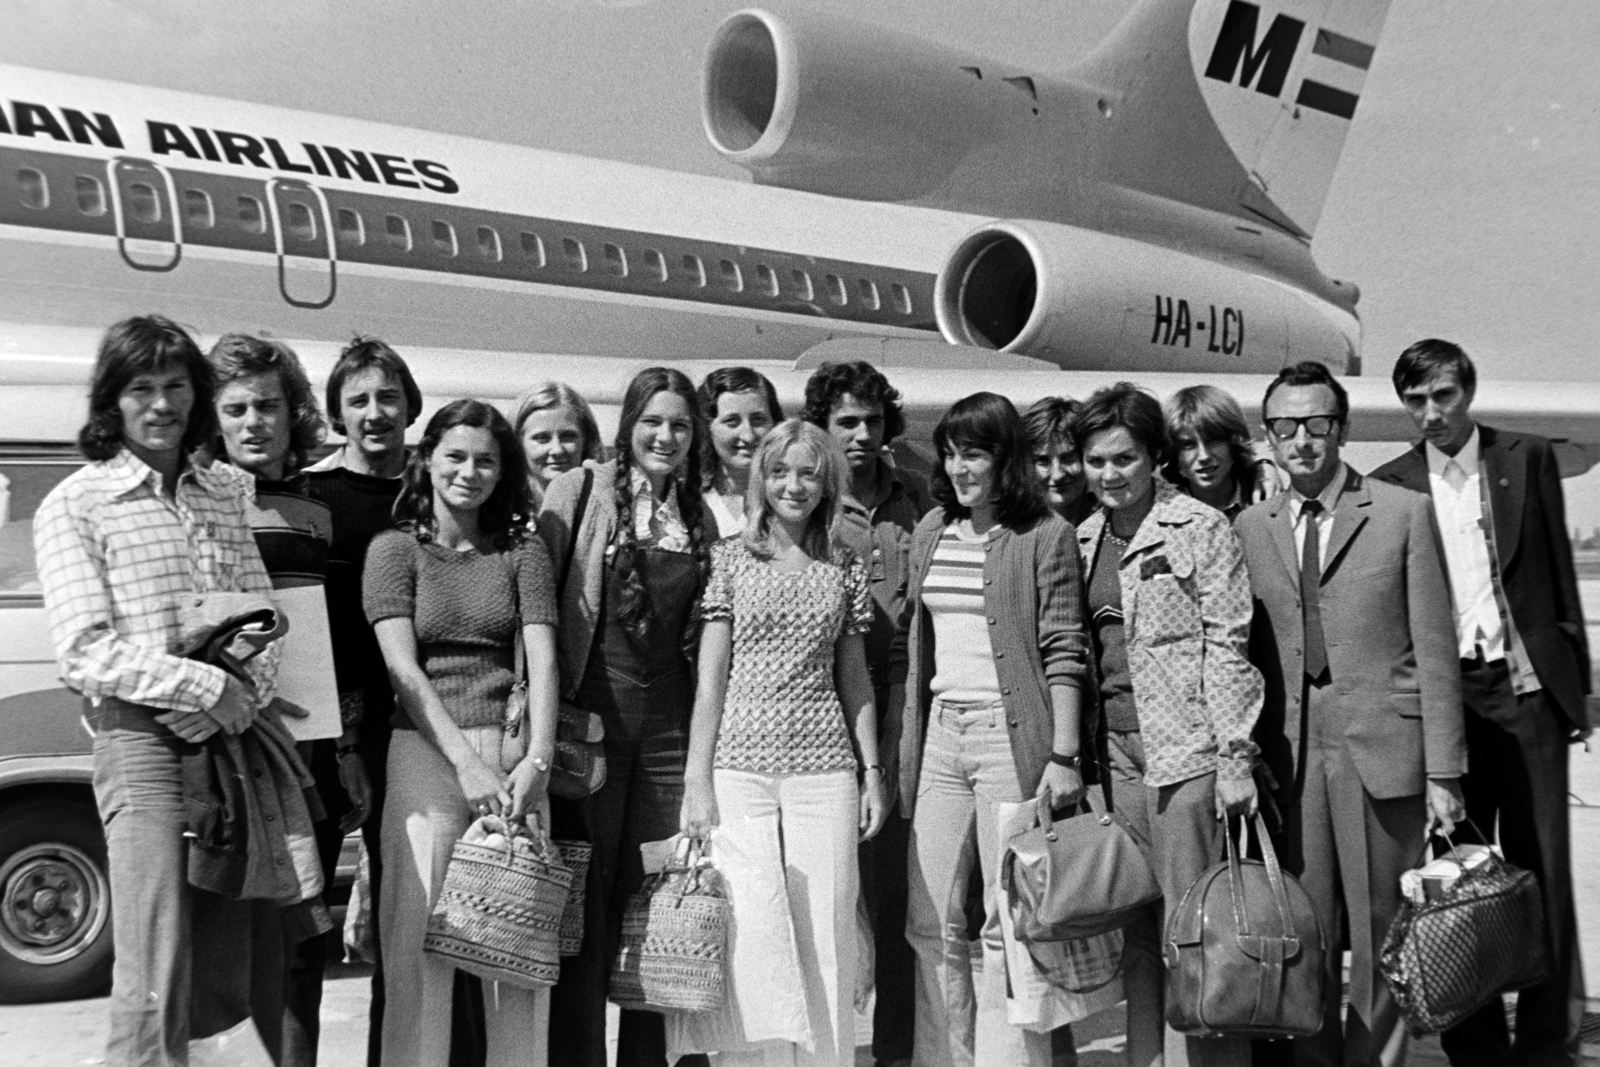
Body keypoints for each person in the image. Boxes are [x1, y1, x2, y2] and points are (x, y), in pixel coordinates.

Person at [34, 315, 278, 1066]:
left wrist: (241, 693)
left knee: (220, 968)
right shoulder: (77, 504)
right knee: (153, 962)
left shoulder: (225, 492)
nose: (162, 403)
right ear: (112, 401)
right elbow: (83, 650)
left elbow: (265, 621)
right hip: (140, 747)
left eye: (176, 385)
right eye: (142, 387)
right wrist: (205, 685)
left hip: (229, 746)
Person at [1235, 361, 1466, 1067]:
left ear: (1342, 429)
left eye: (1317, 424)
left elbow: (1435, 648)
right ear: (1268, 434)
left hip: (1382, 749)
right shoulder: (1250, 524)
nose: (1301, 440)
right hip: (1290, 753)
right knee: (1302, 931)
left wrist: (1445, 773)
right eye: (1284, 427)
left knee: (1378, 935)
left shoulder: (1402, 512)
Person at [1370, 340, 1591, 1067]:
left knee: (1544, 875)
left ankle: (1546, 1047)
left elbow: (1558, 575)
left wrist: (1578, 690)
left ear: (1467, 390)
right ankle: (1478, 1048)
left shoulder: (1523, 458)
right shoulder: (1393, 484)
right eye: (1416, 400)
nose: (1430, 413)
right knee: (1457, 884)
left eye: (1442, 395)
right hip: (1445, 703)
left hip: (1525, 692)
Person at [677, 418, 889, 1066]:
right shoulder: (731, 558)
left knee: (827, 932)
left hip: (824, 770)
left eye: (807, 471)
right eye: (780, 472)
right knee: (753, 937)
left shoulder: (842, 564)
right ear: (760, 480)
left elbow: (854, 677)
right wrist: (697, 779)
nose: (793, 484)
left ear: (826, 480)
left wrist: (872, 770)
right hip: (739, 769)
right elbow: (710, 680)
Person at [363, 399, 560, 1067]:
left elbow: (544, 655)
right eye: (456, 455)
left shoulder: (521, 551)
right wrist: (465, 764)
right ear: (428, 459)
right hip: (423, 755)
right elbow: (401, 669)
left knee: (516, 950)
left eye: (485, 459)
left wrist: (538, 758)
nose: (469, 471)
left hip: (512, 757)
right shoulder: (395, 551)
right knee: (418, 944)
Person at [898, 391, 1090, 1067]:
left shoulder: (1045, 534)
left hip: (1012, 742)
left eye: (973, 452)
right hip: (941, 739)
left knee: (1006, 920)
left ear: (1004, 458)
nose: (958, 467)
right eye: (950, 453)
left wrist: (1063, 754)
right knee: (929, 921)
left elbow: (1065, 647)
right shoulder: (931, 530)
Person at [1073, 383, 1262, 1067]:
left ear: (1155, 456)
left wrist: (1235, 757)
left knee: (1199, 936)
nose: (1109, 474)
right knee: (1139, 941)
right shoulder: (1085, 537)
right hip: (1115, 760)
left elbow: (1228, 642)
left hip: (1184, 756)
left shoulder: (1201, 528)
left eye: (1124, 459)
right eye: (1096, 461)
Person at [538, 367, 713, 1067]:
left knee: (656, 904)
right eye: (652, 421)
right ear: (628, 424)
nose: (665, 436)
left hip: (668, 730)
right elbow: (541, 608)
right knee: (586, 899)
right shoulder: (581, 490)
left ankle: (647, 1059)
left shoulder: (699, 514)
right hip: (595, 722)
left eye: (678, 424)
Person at [209, 332, 373, 1067]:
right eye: (236, 407)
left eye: (268, 405)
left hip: (309, 754)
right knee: (230, 944)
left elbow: (330, 636)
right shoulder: (193, 503)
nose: (254, 422)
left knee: (304, 939)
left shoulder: (317, 508)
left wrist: (346, 750)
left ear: (293, 411)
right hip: (224, 756)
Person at [303, 336, 431, 1067]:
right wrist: (345, 734)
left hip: (415, 724)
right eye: (358, 400)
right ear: (337, 413)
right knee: (308, 923)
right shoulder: (314, 495)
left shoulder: (435, 492)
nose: (375, 413)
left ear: (410, 406)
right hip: (328, 731)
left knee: (404, 920)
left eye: (388, 397)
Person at [802, 359, 928, 1067]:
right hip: (829, 693)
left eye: (871, 421)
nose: (859, 434)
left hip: (903, 693)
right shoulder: (809, 500)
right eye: (845, 420)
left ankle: (896, 1050)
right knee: (830, 884)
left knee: (894, 886)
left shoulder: (916, 495)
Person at [1163, 385, 1272, 521]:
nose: (1204, 456)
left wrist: (1264, 466)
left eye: (1213, 441)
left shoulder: (1264, 498)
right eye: (1188, 445)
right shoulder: (1166, 512)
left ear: (1233, 441)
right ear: (1175, 453)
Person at [699, 366, 784, 538]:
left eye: (758, 420)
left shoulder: (791, 496)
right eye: (732, 421)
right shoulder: (688, 501)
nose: (748, 435)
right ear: (707, 428)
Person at [512, 380, 603, 510]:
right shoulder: (502, 513)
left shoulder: (607, 506)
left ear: (587, 440)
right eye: (542, 438)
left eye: (568, 436)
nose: (557, 450)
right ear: (518, 444)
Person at [1024, 396, 1093, 526]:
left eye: (1068, 458)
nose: (1057, 475)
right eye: (1043, 461)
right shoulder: (1012, 525)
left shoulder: (1114, 519)